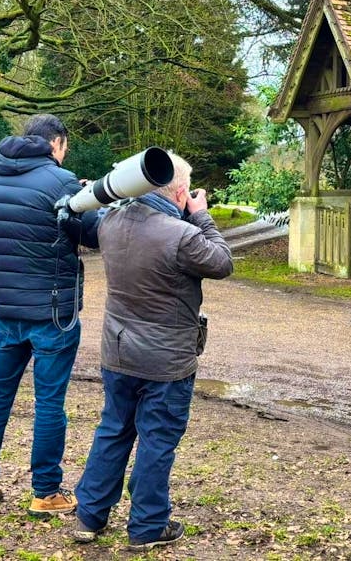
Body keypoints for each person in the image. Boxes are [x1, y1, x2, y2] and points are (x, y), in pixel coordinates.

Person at [72, 153, 233, 552]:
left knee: (113, 430)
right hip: (166, 361)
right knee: (157, 440)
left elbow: (87, 222)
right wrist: (200, 214)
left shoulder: (111, 222)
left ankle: (90, 516)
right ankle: (146, 527)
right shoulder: (182, 235)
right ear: (180, 192)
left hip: (118, 351)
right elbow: (223, 261)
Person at [0, 114, 102, 516]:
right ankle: (45, 491)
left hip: (6, 309)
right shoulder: (60, 180)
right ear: (57, 144)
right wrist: (87, 201)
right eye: (65, 148)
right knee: (48, 401)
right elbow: (91, 235)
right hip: (52, 311)